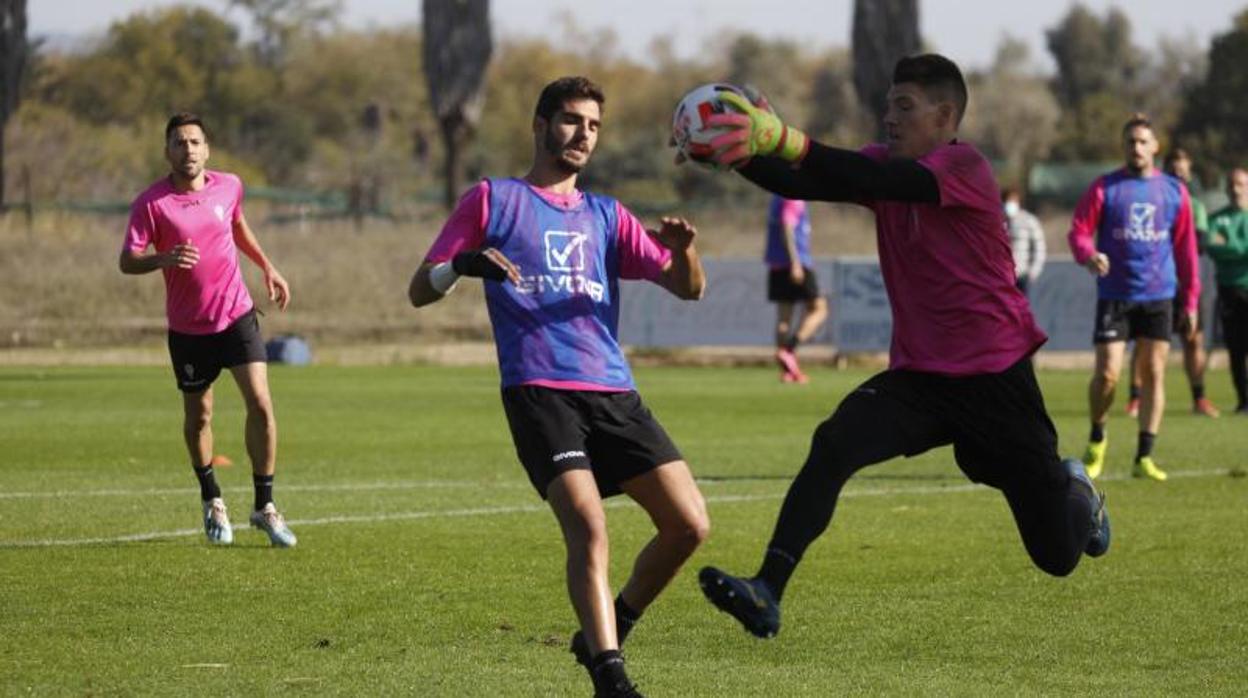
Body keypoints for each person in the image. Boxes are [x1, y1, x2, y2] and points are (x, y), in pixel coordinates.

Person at [675, 54, 1109, 640]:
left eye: (904, 107)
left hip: (995, 378)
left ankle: (1078, 488)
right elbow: (812, 179)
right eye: (888, 106)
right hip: (923, 379)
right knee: (834, 443)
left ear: (944, 114)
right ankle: (767, 589)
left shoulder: (965, 166)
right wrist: (743, 154)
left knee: (1056, 555)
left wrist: (781, 136)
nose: (889, 118)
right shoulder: (886, 165)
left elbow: (875, 181)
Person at [408, 76, 709, 698]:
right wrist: (462, 265)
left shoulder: (607, 215)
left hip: (612, 390)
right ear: (540, 125)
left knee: (688, 525)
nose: (583, 136)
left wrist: (684, 252)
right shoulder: (493, 200)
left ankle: (611, 625)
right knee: (588, 525)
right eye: (572, 121)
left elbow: (689, 289)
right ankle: (609, 675)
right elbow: (419, 289)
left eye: (594, 126)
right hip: (539, 390)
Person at [119, 112, 297, 548]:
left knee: (261, 404)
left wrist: (267, 267)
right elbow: (127, 259)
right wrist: (161, 259)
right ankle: (211, 498)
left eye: (195, 141)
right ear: (168, 151)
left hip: (236, 315)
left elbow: (236, 225)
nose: (189, 149)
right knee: (199, 416)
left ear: (207, 148)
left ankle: (265, 506)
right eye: (179, 143)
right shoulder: (151, 204)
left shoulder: (229, 185)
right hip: (188, 329)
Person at [1069, 115, 1200, 482]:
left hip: (1159, 295)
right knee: (1108, 375)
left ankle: (1144, 455)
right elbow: (1079, 231)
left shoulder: (1175, 192)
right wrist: (1088, 255)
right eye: (1130, 142)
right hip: (1115, 295)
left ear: (1155, 146)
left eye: (1143, 141)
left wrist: (1190, 301)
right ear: (1123, 146)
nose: (1137, 148)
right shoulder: (1105, 188)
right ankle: (1097, 437)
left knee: (1154, 373)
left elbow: (1186, 251)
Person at [1124, 148, 1219, 418]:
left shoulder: (1195, 206)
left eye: (1182, 171)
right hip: (1153, 284)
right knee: (1144, 342)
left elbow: (1198, 243)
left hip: (1185, 284)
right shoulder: (1154, 201)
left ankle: (1199, 398)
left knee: (1193, 340)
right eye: (1173, 171)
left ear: (1189, 173)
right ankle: (1135, 398)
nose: (1178, 176)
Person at [765, 195, 828, 382]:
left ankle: (787, 371)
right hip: (796, 262)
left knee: (784, 318)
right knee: (819, 309)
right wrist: (795, 262)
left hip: (776, 264)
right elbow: (787, 226)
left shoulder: (776, 196)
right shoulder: (792, 196)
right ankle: (789, 350)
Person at [1205, 168, 1248, 414]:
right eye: (1232, 184)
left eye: (1241, 184)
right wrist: (1239, 249)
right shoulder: (1217, 219)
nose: (1236, 188)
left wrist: (1228, 245)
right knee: (1236, 347)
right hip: (1229, 290)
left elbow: (1225, 247)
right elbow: (1212, 246)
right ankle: (1244, 400)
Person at [1002, 187, 1046, 296]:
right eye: (1007, 201)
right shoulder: (998, 221)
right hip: (1002, 276)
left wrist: (1034, 271)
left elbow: (1039, 248)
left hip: (1021, 275)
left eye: (1012, 201)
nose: (1009, 204)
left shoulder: (1029, 221)